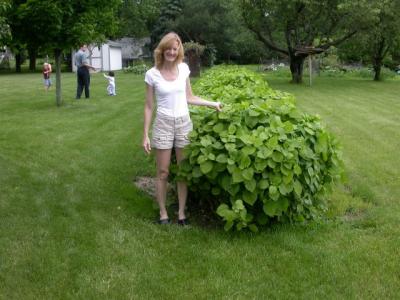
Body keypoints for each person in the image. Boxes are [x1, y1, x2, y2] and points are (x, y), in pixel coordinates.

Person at [142, 32, 222, 225]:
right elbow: (149, 106)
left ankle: (181, 213)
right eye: (168, 48)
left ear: (179, 51)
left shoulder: (184, 69)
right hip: (163, 124)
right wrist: (145, 134)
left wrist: (213, 104)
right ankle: (163, 213)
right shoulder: (152, 74)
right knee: (163, 172)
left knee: (183, 171)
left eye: (174, 48)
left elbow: (189, 97)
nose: (171, 51)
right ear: (162, 49)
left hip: (184, 124)